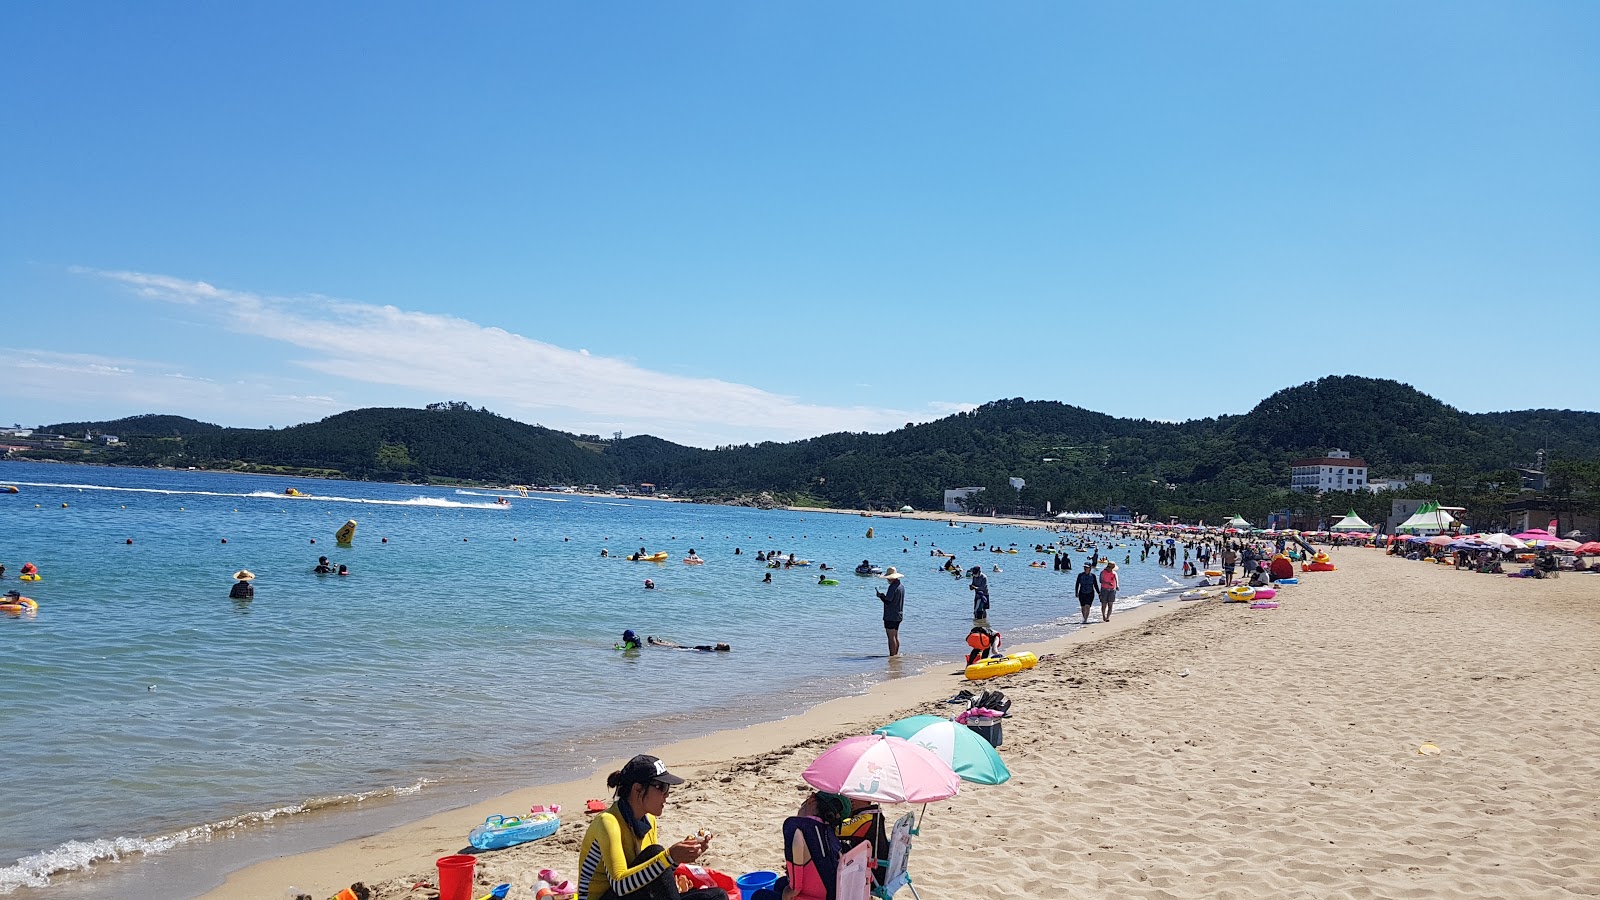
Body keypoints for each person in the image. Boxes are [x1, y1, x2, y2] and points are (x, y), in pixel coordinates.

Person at [578, 755, 723, 900]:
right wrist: (669, 856)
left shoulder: (649, 820)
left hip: (631, 893)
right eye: (661, 787)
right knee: (655, 853)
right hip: (604, 896)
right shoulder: (608, 822)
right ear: (637, 789)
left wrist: (679, 857)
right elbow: (620, 885)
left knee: (717, 895)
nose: (666, 795)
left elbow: (654, 877)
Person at [875, 567, 905, 657]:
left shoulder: (893, 587)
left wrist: (880, 596)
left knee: (891, 637)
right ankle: (896, 654)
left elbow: (888, 601)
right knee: (895, 636)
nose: (887, 579)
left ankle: (892, 656)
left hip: (891, 615)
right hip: (898, 614)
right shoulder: (901, 586)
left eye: (888, 577)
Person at [647, 636, 731, 652]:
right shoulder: (714, 649)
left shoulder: (713, 650)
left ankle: (653, 642)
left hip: (691, 649)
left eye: (723, 644)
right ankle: (660, 642)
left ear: (721, 648)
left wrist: (694, 650)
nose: (721, 643)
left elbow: (702, 652)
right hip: (692, 648)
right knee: (675, 644)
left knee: (673, 646)